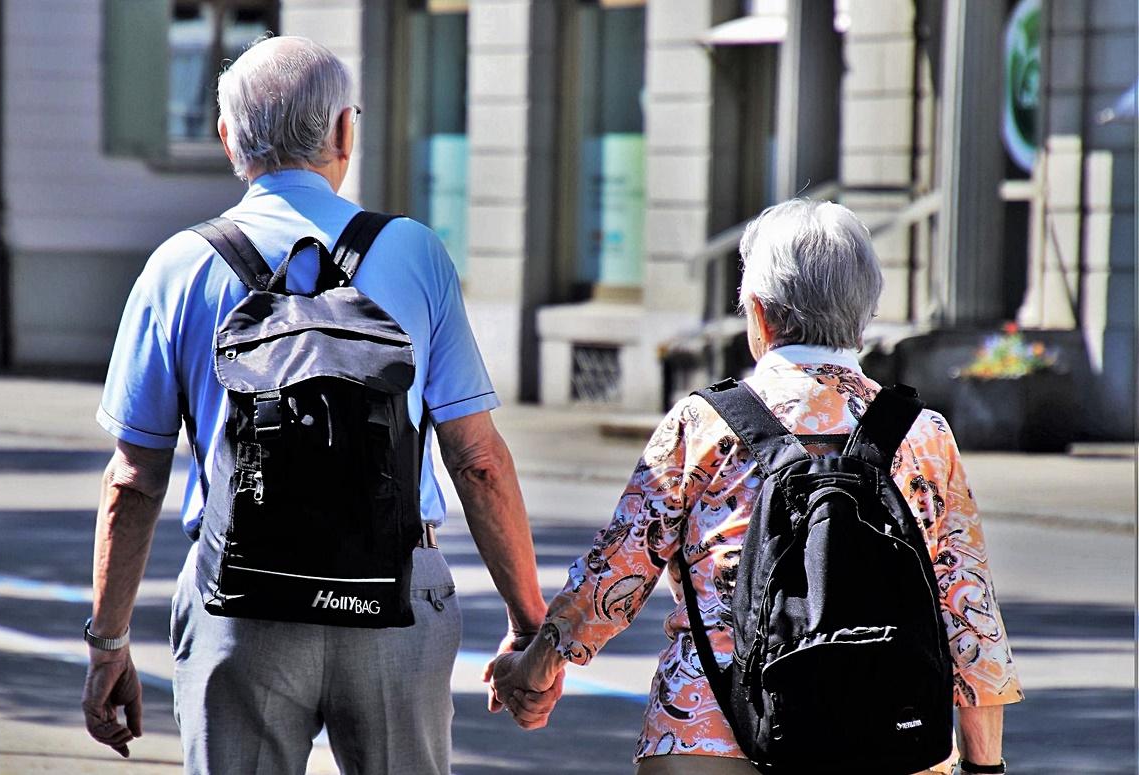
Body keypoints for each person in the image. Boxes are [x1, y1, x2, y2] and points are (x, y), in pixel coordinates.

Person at [81, 36, 557, 774]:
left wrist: (108, 642)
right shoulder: (415, 253)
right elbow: (478, 459)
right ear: (344, 132)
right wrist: (531, 624)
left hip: (240, 603)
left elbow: (134, 479)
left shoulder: (178, 265)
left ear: (226, 138)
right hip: (395, 599)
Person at [489, 199, 1023, 775]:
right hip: (889, 735)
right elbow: (971, 615)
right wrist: (983, 765)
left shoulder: (703, 424)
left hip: (711, 730)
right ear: (863, 314)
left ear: (761, 315)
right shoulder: (923, 435)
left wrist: (539, 665)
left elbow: (617, 572)